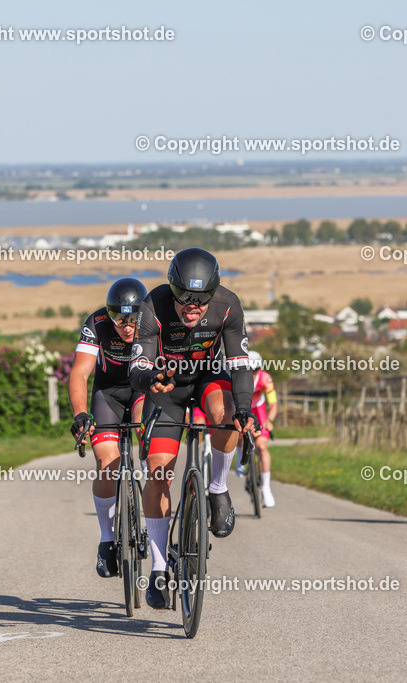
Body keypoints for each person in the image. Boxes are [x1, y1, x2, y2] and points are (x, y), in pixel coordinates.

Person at [129, 247, 258, 609]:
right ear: (172, 289)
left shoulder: (228, 305)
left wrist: (246, 408)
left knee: (229, 412)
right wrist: (151, 376)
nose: (192, 305)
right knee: (157, 474)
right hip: (165, 388)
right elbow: (136, 367)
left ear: (213, 294)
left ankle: (217, 488)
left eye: (201, 299)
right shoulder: (153, 305)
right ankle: (157, 567)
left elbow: (240, 365)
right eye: (184, 297)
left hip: (206, 380)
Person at [68, 278, 148, 577]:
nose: (127, 327)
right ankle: (106, 538)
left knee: (146, 432)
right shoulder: (97, 323)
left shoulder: (154, 321)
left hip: (143, 391)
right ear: (109, 314)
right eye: (119, 319)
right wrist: (80, 414)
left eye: (133, 320)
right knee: (106, 463)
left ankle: (151, 495)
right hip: (109, 394)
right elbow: (80, 372)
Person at [236, 350, 279, 507]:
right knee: (240, 433)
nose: (252, 374)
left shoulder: (265, 378)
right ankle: (240, 454)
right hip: (243, 408)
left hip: (259, 409)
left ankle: (266, 487)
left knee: (261, 446)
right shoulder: (237, 376)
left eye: (255, 371)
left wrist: (269, 420)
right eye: (249, 371)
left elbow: (273, 404)